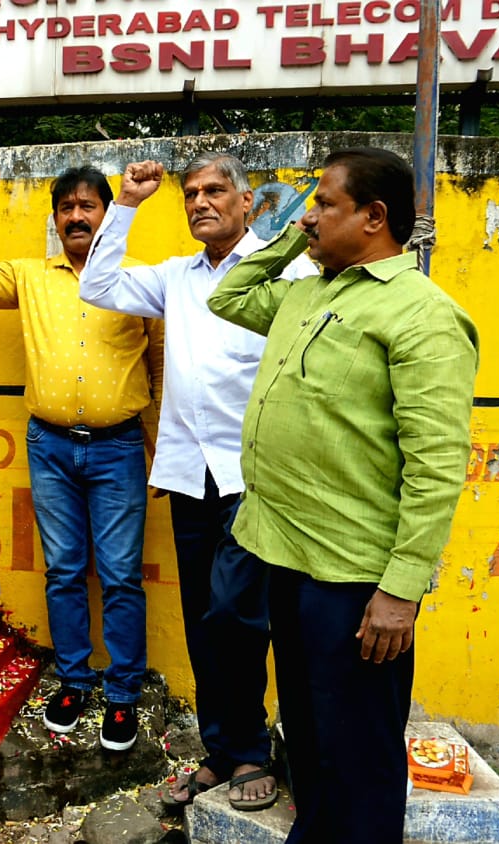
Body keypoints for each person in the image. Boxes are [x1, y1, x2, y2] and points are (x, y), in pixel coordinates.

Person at [206, 147, 479, 842]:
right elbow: (227, 295)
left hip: (356, 578)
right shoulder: (307, 292)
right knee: (308, 733)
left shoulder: (422, 314)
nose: (310, 216)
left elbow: (437, 466)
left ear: (374, 217)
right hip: (284, 554)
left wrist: (401, 591)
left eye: (324, 204)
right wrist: (287, 240)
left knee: (359, 751)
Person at [79, 153, 317, 810]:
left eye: (214, 190)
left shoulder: (287, 271)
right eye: (190, 193)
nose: (200, 202)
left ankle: (248, 750)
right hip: (189, 474)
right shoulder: (176, 277)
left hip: (254, 476)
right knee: (201, 620)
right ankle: (221, 751)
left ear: (247, 203)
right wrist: (127, 203)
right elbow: (97, 285)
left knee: (236, 613)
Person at [0, 164, 163, 751]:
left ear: (108, 215)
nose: (77, 217)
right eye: (67, 208)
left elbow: (159, 363)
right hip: (51, 446)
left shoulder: (139, 281)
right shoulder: (29, 276)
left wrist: (161, 443)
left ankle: (123, 693)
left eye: (89, 206)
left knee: (120, 576)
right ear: (56, 219)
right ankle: (73, 681)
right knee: (63, 571)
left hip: (118, 447)